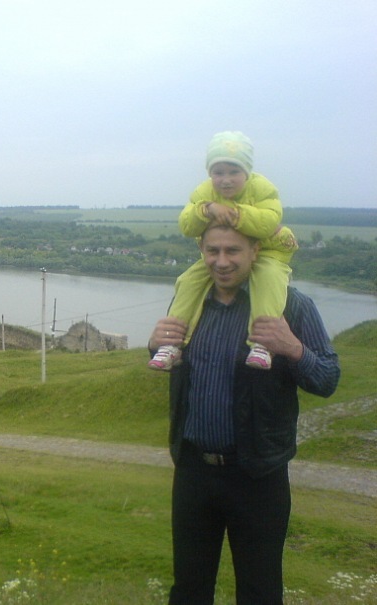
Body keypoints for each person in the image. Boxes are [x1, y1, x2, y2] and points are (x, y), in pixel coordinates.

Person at [149, 223, 340, 604]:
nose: (221, 262)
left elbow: (327, 379)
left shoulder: (291, 305)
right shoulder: (190, 301)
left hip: (258, 474)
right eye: (213, 251)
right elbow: (175, 360)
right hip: (193, 471)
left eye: (233, 251)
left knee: (259, 591)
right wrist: (155, 345)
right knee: (188, 589)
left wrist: (293, 348)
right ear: (202, 251)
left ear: (255, 251)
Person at [148, 131, 299, 372]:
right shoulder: (204, 193)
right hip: (245, 247)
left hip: (269, 250)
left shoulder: (261, 188)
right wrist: (206, 209)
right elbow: (187, 225)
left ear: (247, 172)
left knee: (268, 278)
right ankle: (171, 344)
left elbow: (269, 221)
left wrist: (234, 215)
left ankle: (262, 343)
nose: (226, 180)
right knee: (187, 280)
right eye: (218, 173)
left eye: (234, 172)